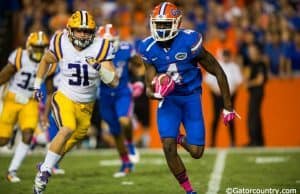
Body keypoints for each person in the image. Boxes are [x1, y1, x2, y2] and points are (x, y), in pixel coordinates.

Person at [139, 2, 238, 194]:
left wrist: (228, 107)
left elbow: (217, 71)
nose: (160, 28)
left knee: (196, 152)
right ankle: (189, 190)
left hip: (191, 97)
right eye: (157, 24)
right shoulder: (148, 47)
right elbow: (149, 85)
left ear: (176, 24)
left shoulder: (190, 41)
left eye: (165, 24)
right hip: (169, 100)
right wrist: (155, 92)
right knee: (168, 147)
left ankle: (176, 136)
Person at [32, 10, 118, 194]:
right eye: (79, 30)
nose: (83, 34)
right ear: (70, 30)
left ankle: (45, 164)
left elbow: (113, 81)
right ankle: (44, 173)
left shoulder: (101, 46)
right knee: (67, 128)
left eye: (87, 31)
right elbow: (46, 60)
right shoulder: (60, 41)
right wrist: (37, 84)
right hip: (65, 96)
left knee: (77, 135)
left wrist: (99, 68)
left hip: (87, 104)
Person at [0, 31, 51, 182]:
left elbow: (49, 92)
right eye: (36, 47)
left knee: (28, 134)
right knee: (2, 140)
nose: (40, 51)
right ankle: (12, 132)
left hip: (30, 101)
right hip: (12, 99)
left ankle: (12, 171)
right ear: (29, 46)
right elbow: (4, 76)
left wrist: (45, 114)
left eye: (42, 48)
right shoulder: (19, 56)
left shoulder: (48, 62)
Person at [97, 24, 142, 177]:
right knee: (115, 132)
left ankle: (130, 144)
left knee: (124, 120)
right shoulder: (92, 53)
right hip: (104, 95)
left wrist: (139, 81)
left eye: (111, 42)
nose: (108, 45)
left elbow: (139, 64)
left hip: (122, 92)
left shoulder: (125, 49)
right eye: (105, 42)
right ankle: (126, 163)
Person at [204, 50, 243, 147]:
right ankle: (212, 143)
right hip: (217, 96)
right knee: (216, 119)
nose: (226, 58)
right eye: (224, 56)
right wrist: (216, 90)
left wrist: (229, 93)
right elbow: (208, 80)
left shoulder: (234, 67)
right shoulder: (217, 65)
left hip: (230, 96)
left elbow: (239, 81)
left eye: (227, 56)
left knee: (230, 119)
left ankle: (233, 142)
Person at [244, 44, 267, 146]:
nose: (250, 53)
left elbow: (260, 80)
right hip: (253, 93)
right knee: (253, 116)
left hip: (257, 92)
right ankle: (256, 140)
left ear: (257, 51)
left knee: (253, 117)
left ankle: (255, 141)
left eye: (252, 51)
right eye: (249, 51)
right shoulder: (251, 64)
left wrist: (249, 83)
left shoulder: (260, 64)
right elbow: (247, 76)